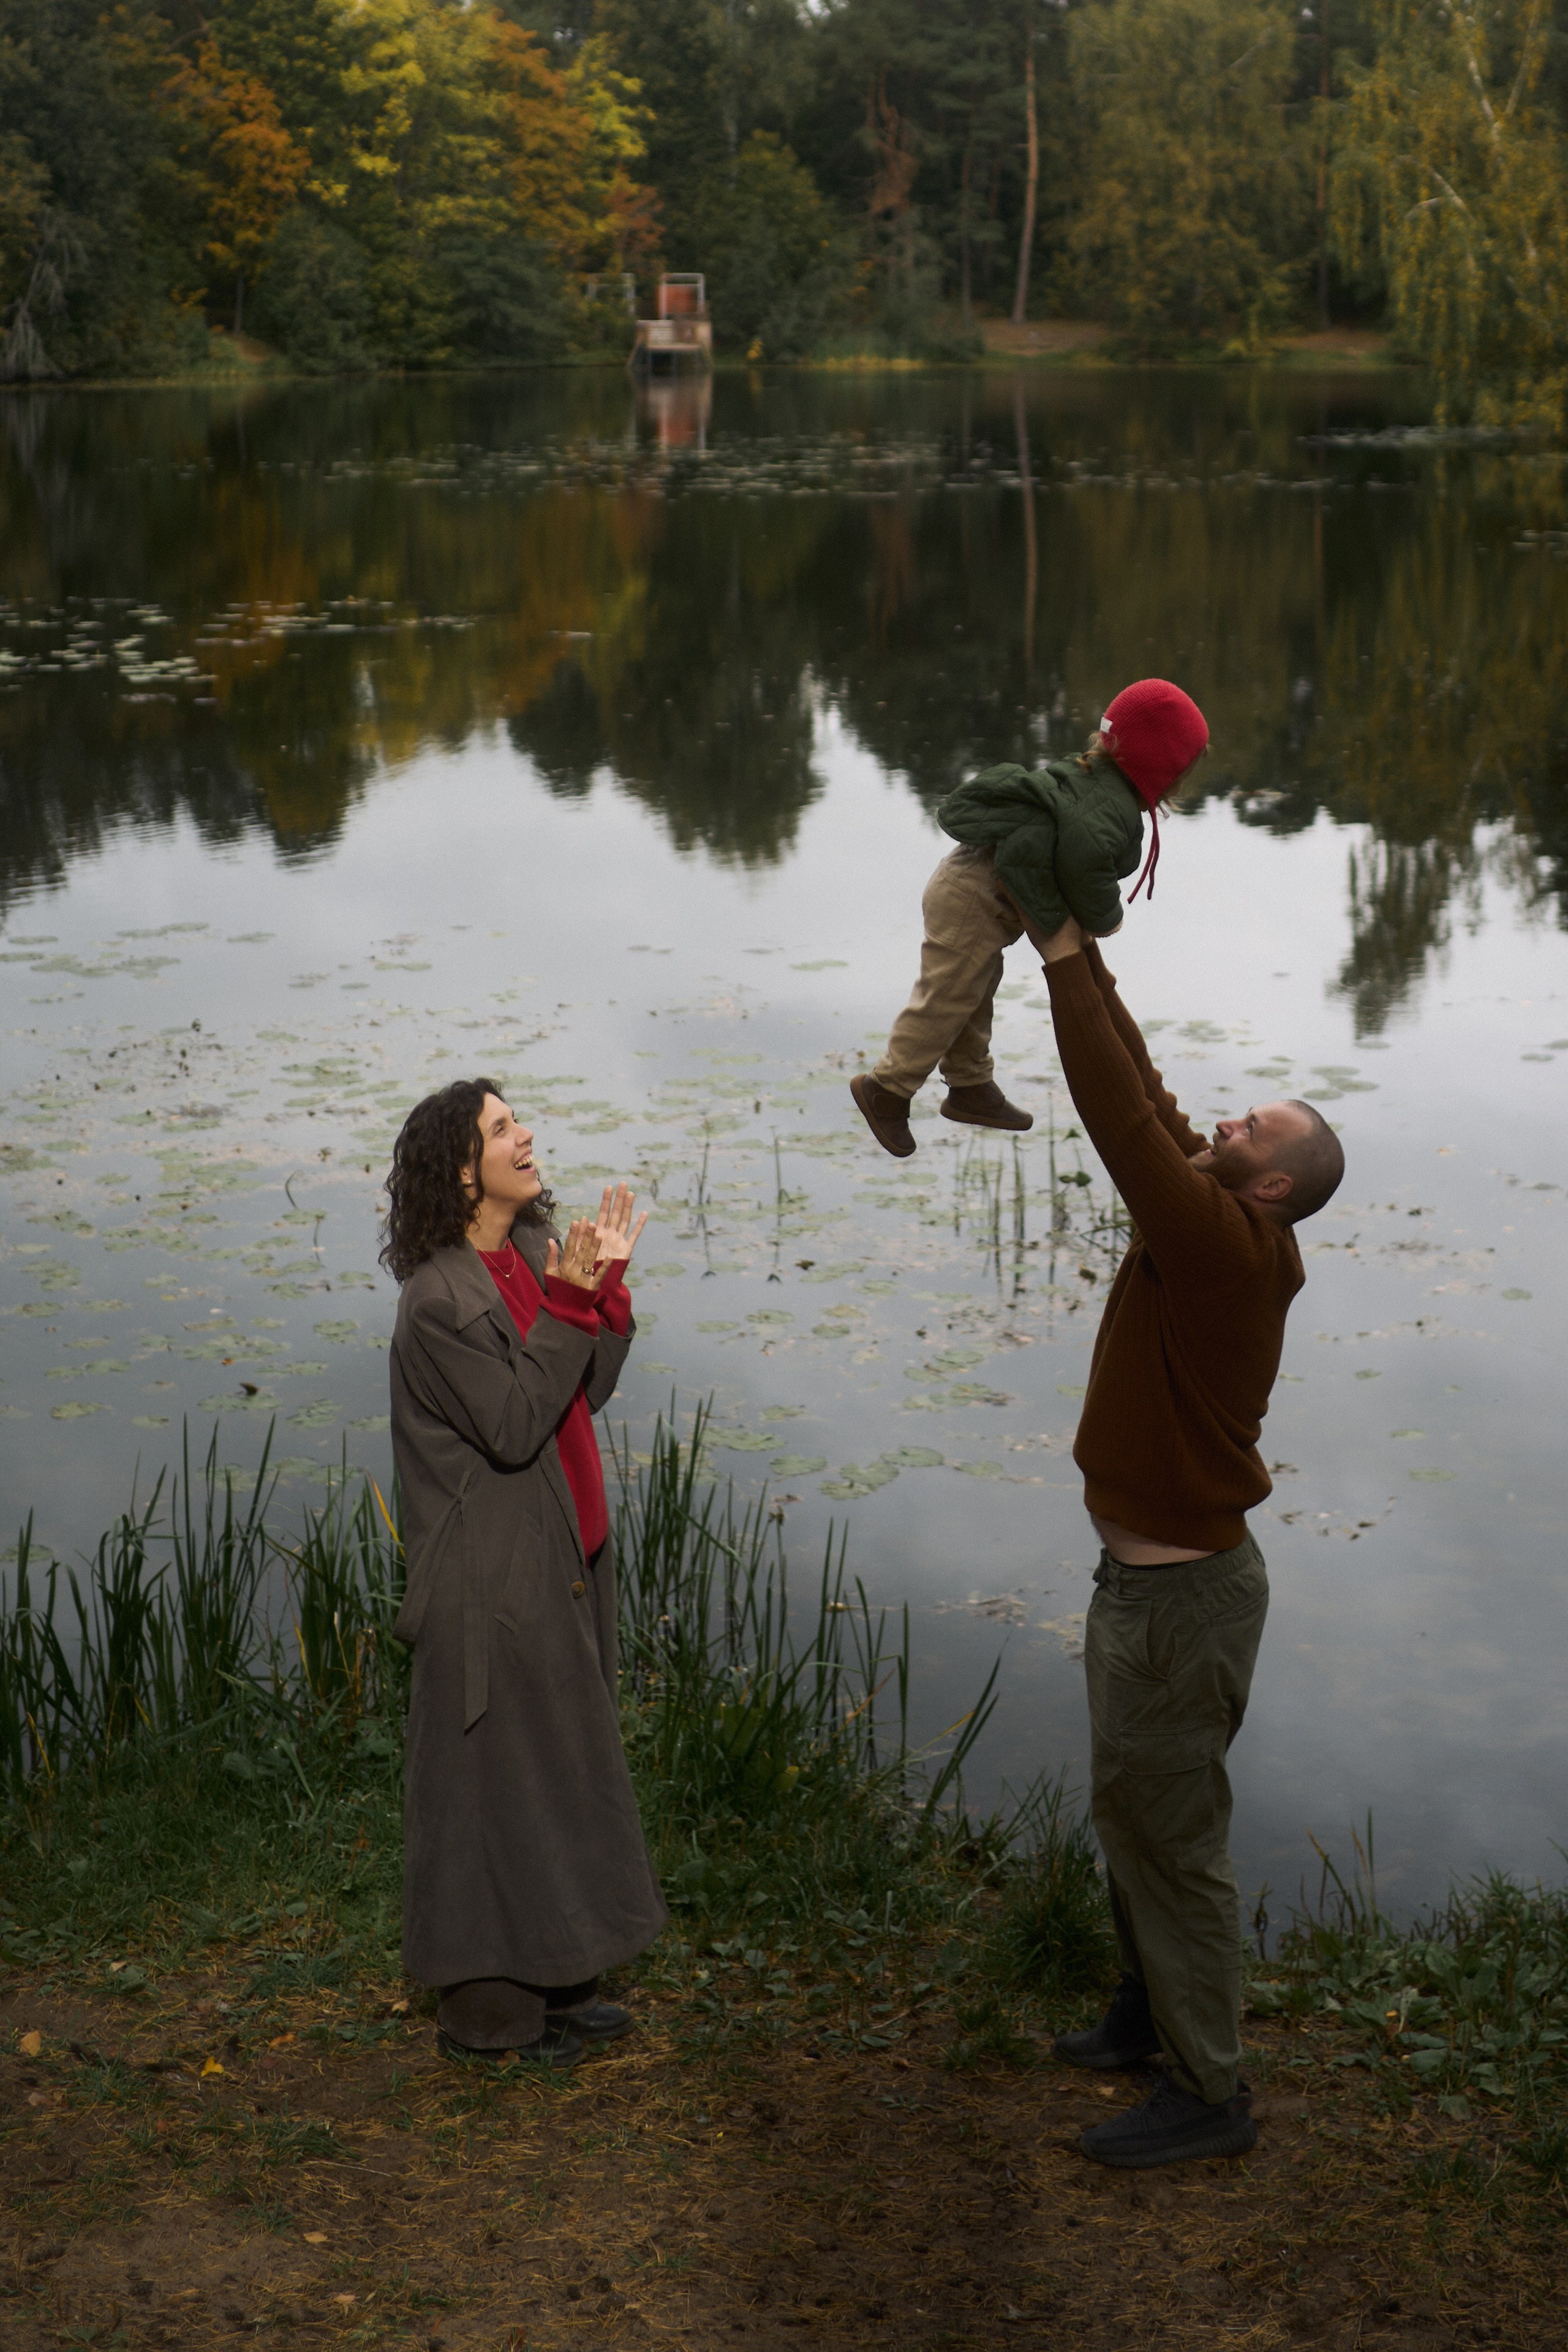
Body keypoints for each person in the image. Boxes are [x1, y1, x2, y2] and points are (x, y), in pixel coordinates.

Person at [1031, 914, 1344, 2169]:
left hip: (1180, 1604)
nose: (1221, 1125)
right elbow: (1148, 1092)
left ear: (1270, 1187)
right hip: (1142, 1589)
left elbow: (1119, 1125)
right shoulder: (1218, 1212)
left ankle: (1208, 2095)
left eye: (1248, 1133)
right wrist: (1077, 947)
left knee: (1175, 1839)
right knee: (1133, 1812)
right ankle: (1147, 2012)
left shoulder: (1221, 1247)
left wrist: (1056, 969)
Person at [380, 1079, 668, 2070]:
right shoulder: (437, 1302)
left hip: (566, 1553)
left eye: (517, 1120)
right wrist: (574, 1303)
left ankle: (565, 1980)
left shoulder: (534, 1253)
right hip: (493, 1583)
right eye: (502, 1128)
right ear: (461, 1170)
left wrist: (606, 1291)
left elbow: (584, 1385)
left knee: (563, 1777)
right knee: (496, 1794)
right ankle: (492, 2020)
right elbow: (510, 1427)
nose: (525, 1134)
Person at [851, 681, 1208, 1160]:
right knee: (949, 993)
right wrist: (1106, 918)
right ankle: (888, 1089)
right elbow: (1084, 859)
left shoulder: (1089, 779)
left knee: (973, 987)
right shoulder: (1112, 808)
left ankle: (970, 1085)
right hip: (973, 894)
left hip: (969, 884)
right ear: (1163, 767)